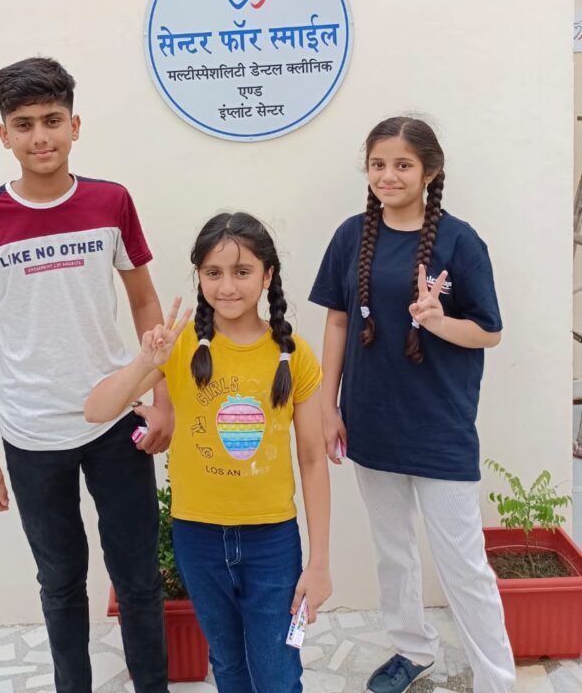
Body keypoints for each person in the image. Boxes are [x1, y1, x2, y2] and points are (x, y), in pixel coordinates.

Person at [0, 56, 172, 693]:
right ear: (4, 135)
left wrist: (162, 399)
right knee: (62, 581)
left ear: (75, 124)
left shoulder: (110, 202)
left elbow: (147, 304)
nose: (39, 136)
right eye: (23, 124)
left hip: (117, 420)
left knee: (138, 579)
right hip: (31, 433)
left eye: (51, 121)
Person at [309, 116, 515, 693]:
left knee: (463, 565)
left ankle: (497, 679)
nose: (388, 175)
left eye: (403, 165)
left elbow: (490, 332)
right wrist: (329, 407)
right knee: (393, 552)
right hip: (370, 421)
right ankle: (412, 649)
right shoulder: (352, 235)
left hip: (438, 426)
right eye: (378, 164)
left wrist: (439, 321)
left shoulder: (459, 240)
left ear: (430, 171)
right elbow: (337, 320)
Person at [85, 211, 332, 693]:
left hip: (272, 542)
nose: (227, 287)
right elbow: (97, 410)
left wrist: (319, 563)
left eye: (242, 272)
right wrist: (145, 363)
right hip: (197, 538)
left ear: (268, 276)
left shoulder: (294, 355)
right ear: (198, 276)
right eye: (213, 273)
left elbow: (311, 459)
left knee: (278, 672)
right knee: (229, 665)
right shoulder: (178, 349)